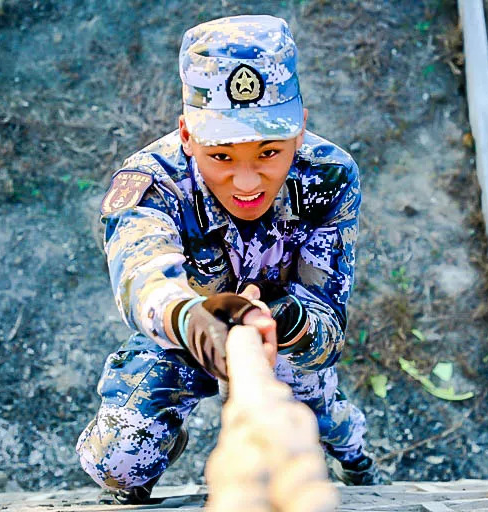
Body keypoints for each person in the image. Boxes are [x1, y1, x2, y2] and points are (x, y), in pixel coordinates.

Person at [75, 14, 379, 504]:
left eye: (268, 152)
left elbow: (328, 333)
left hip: (283, 338)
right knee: (117, 461)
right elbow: (141, 278)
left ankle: (360, 467)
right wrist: (194, 320)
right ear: (187, 135)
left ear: (300, 131)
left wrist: (286, 319)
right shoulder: (151, 183)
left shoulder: (329, 177)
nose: (246, 182)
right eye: (221, 156)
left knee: (328, 425)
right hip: (186, 331)